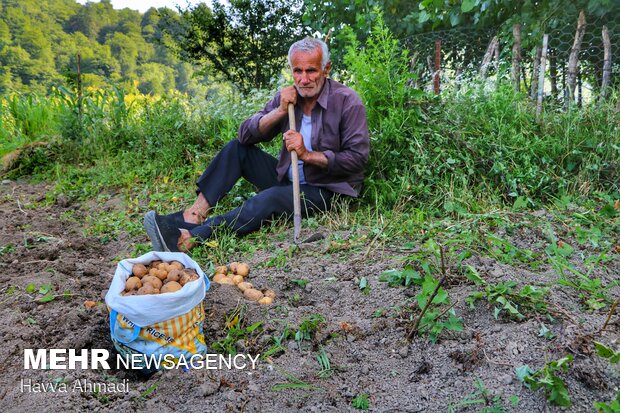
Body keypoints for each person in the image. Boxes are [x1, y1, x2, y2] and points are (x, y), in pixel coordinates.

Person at [144, 37, 369, 252]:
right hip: (286, 179)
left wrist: (307, 154)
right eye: (297, 71)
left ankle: (191, 237)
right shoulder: (288, 97)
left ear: (326, 69)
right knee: (236, 149)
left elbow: (357, 160)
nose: (303, 79)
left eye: (311, 71)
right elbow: (245, 135)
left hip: (325, 190)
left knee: (269, 198)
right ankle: (193, 215)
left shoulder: (348, 102)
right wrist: (280, 110)